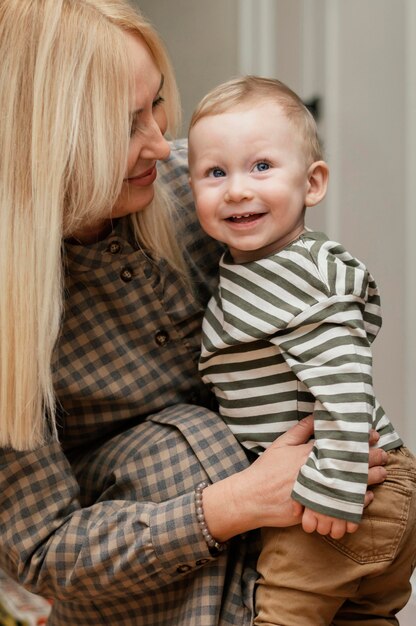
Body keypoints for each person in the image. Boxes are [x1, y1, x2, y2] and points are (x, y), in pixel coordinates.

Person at [0, 2, 388, 624]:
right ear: (42, 144)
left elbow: (322, 319)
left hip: (313, 552)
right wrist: (236, 502)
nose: (161, 142)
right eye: (126, 126)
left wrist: (342, 442)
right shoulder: (11, 312)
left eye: (156, 104)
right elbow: (43, 554)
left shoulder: (204, 191)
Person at [188, 75, 416, 625]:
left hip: (345, 491)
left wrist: (333, 489)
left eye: (261, 167)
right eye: (215, 173)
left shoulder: (304, 272)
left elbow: (343, 377)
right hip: (359, 488)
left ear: (312, 183)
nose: (237, 189)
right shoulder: (254, 268)